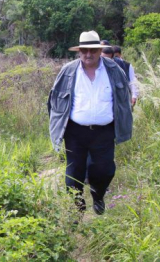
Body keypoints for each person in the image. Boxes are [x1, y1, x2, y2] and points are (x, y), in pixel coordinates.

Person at [48, 30, 133, 215]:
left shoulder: (113, 69)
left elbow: (124, 99)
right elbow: (54, 100)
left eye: (93, 50)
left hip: (104, 132)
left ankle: (98, 195)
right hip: (75, 132)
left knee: (105, 170)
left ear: (99, 50)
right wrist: (57, 129)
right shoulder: (68, 71)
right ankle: (78, 208)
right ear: (79, 51)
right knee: (73, 176)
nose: (88, 54)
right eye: (84, 50)